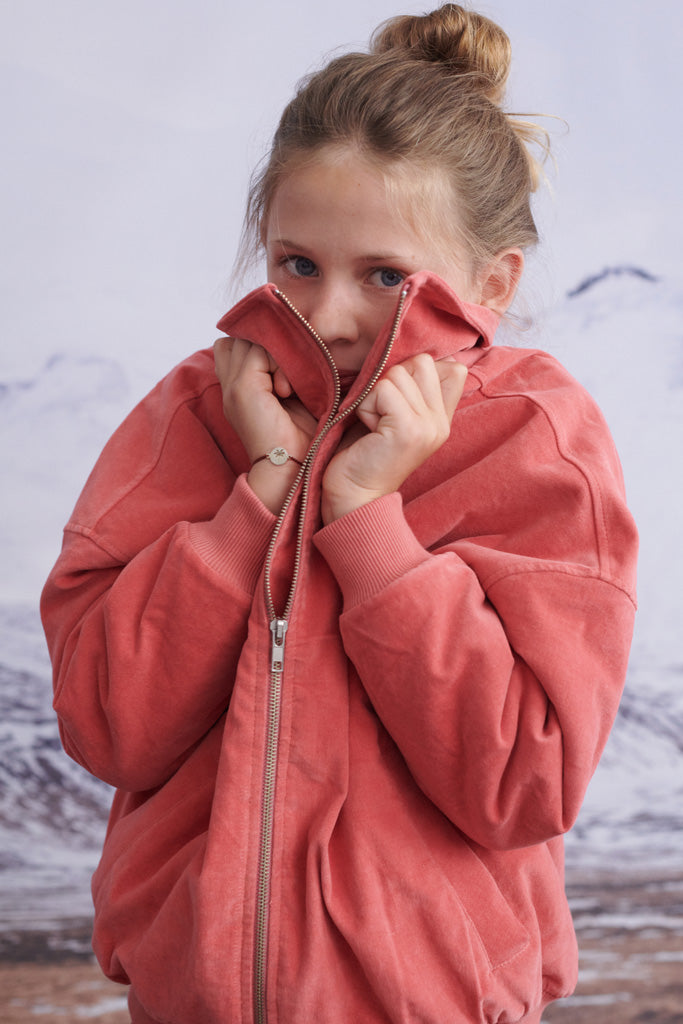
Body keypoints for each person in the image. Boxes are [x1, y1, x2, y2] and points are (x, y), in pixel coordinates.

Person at [40, 5, 638, 1023]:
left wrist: (365, 523)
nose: (323, 315)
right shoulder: (193, 413)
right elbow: (108, 727)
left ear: (491, 284)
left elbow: (519, 780)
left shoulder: (535, 441)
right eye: (295, 262)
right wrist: (262, 486)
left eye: (386, 277)